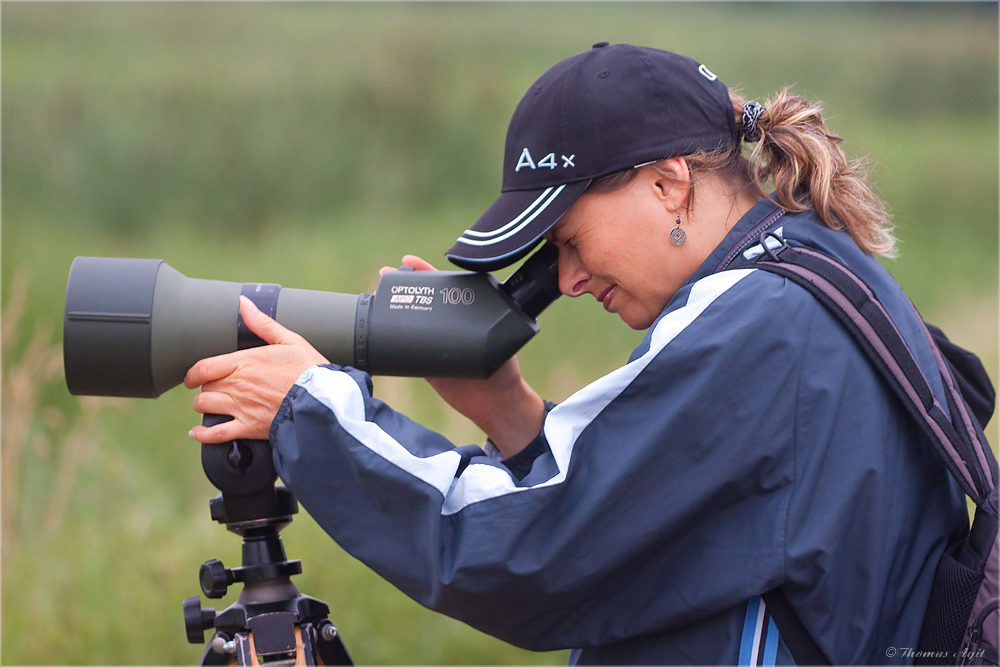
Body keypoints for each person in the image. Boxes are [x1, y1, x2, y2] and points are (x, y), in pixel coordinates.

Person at [184, 43, 970, 664]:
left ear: (668, 184)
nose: (565, 278)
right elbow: (667, 523)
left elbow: (526, 554)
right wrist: (511, 412)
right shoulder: (808, 275)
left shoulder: (756, 325)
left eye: (567, 239)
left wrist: (310, 408)